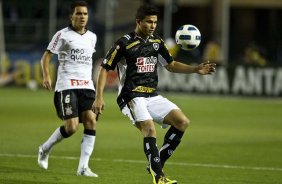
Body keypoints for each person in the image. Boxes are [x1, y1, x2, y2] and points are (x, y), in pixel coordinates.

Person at [94, 4, 216, 184]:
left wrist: (196, 69)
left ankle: (155, 162)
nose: (152, 26)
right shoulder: (124, 43)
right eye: (149, 22)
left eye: (155, 22)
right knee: (149, 129)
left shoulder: (156, 42)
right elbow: (105, 69)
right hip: (131, 96)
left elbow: (171, 65)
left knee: (182, 122)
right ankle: (159, 177)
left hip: (152, 95)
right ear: (138, 22)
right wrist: (99, 97)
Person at [38, 1, 99, 177]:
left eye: (85, 14)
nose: (82, 17)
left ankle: (83, 168)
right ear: (71, 16)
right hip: (67, 86)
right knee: (71, 127)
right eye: (78, 14)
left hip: (87, 86)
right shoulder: (62, 35)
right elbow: (46, 56)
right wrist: (46, 75)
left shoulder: (92, 37)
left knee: (91, 121)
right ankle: (45, 148)